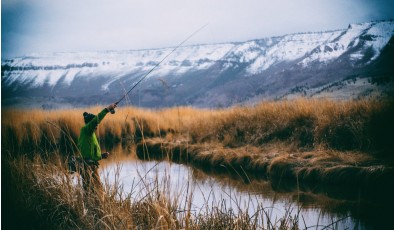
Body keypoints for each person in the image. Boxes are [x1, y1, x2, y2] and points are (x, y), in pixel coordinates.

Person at [77, 103, 117, 195]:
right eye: (94, 123)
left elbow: (89, 152)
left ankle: (95, 205)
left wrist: (101, 156)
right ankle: (93, 207)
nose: (97, 125)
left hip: (92, 166)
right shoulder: (86, 130)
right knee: (92, 191)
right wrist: (107, 109)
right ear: (89, 123)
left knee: (96, 191)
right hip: (87, 167)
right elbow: (95, 121)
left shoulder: (90, 134)